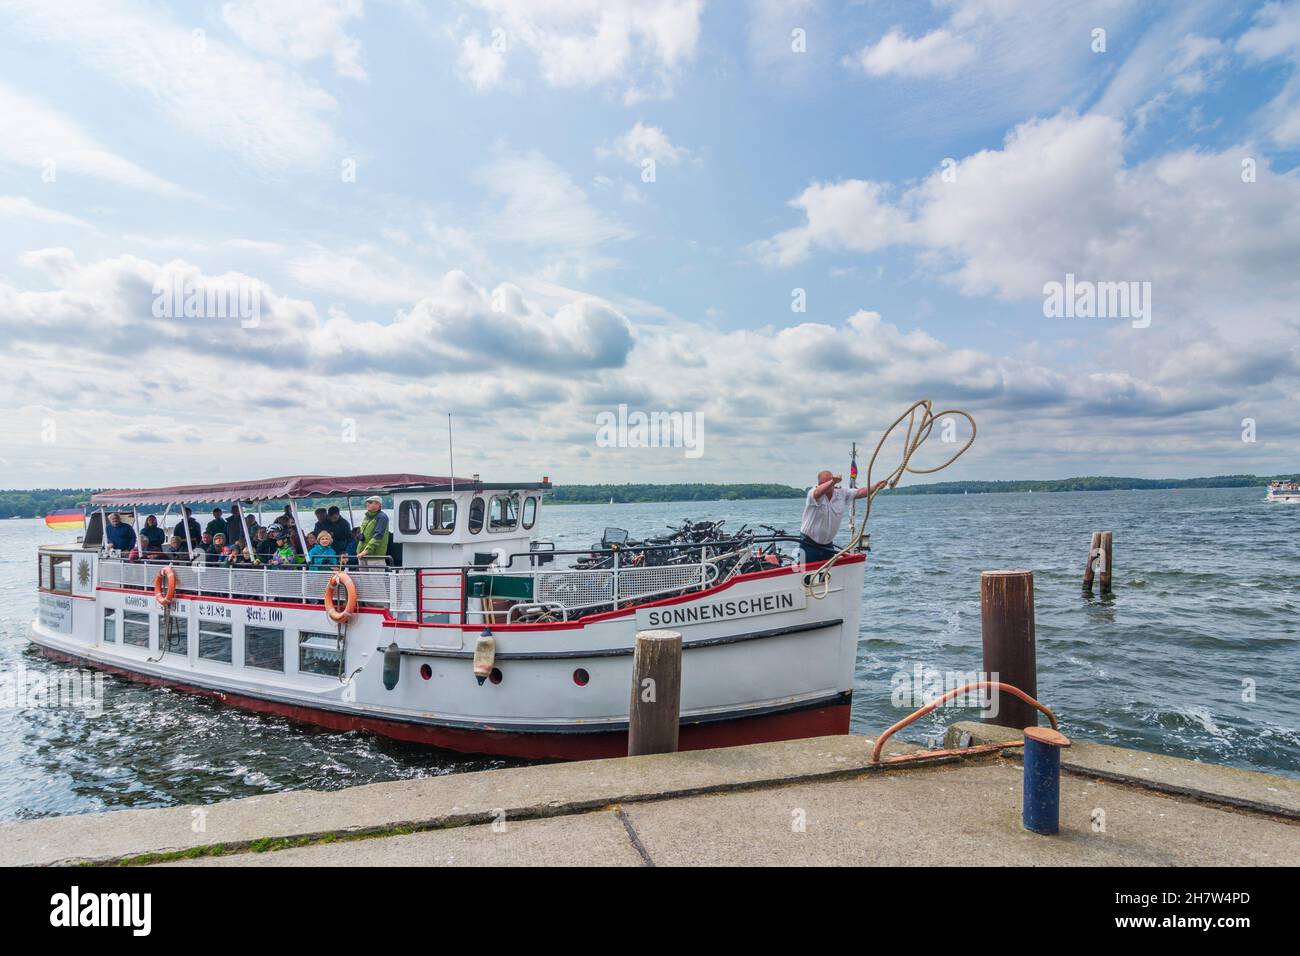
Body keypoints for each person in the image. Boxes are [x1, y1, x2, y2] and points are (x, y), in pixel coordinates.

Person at [799, 471, 887, 563]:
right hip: (808, 543)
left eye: (832, 482)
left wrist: (876, 487)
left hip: (827, 545)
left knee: (827, 575)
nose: (831, 485)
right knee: (804, 574)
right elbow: (818, 493)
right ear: (819, 484)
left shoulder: (841, 493)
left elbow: (860, 492)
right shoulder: (813, 494)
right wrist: (832, 482)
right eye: (828, 483)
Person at [357, 495, 390, 565]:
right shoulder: (367, 517)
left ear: (378, 504)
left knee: (376, 576)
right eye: (367, 502)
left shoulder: (382, 517)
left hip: (375, 558)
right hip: (362, 556)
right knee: (363, 576)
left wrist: (365, 551)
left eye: (370, 502)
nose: (367, 504)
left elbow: (378, 536)